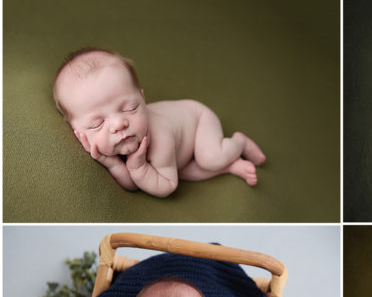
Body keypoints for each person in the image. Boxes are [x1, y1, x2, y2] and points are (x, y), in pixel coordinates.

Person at [53, 48, 266, 197]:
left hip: (198, 120)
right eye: (97, 123)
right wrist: (114, 164)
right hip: (175, 159)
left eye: (130, 108)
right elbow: (134, 185)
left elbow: (167, 186)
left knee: (209, 157)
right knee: (184, 171)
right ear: (77, 132)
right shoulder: (117, 141)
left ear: (143, 99)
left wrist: (137, 167)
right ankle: (229, 167)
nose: (119, 123)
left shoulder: (159, 136)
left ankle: (238, 143)